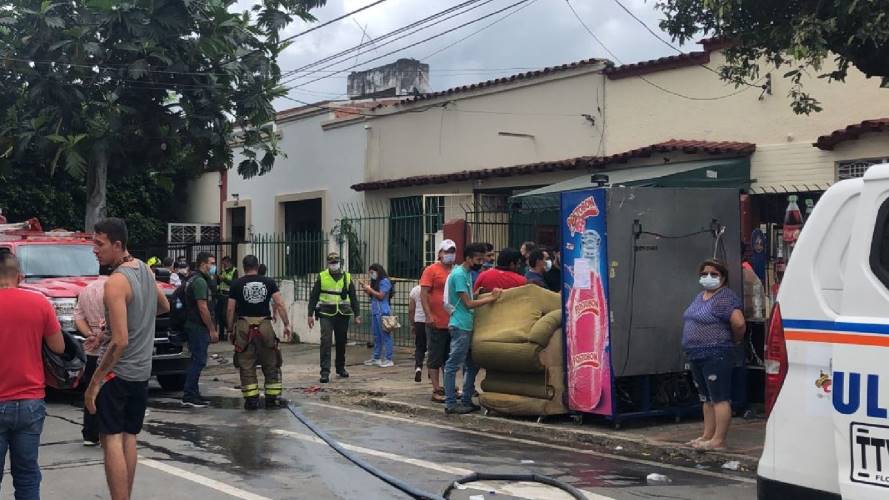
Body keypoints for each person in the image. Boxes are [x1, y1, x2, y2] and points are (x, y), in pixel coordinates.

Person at [85, 217, 170, 500]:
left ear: (117, 244)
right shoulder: (145, 270)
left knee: (110, 438)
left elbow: (120, 341)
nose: (95, 250)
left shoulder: (115, 282)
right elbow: (163, 305)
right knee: (129, 436)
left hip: (116, 374)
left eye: (99, 244)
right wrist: (134, 319)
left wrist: (94, 383)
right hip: (141, 373)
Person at [0, 253, 65, 500]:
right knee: (27, 476)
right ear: (19, 276)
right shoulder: (40, 304)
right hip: (30, 401)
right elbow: (58, 348)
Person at [682, 259, 746, 451]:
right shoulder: (701, 296)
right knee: (706, 398)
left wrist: (735, 340)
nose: (708, 277)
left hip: (716, 353)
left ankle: (719, 440)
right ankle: (707, 435)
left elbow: (739, 323)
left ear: (723, 277)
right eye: (704, 274)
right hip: (696, 354)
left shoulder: (725, 298)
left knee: (719, 397)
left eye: (714, 274)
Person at [444, 243, 502, 414]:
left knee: (472, 365)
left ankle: (467, 399)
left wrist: (478, 294)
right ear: (468, 259)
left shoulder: (467, 274)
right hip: (460, 325)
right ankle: (451, 403)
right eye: (478, 259)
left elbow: (466, 298)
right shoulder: (460, 275)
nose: (481, 262)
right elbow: (468, 304)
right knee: (453, 365)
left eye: (482, 259)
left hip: (467, 324)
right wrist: (491, 298)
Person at [227, 255, 291, 410]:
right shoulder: (268, 282)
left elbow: (230, 309)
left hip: (243, 326)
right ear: (257, 266)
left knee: (246, 364)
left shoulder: (236, 284)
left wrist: (230, 329)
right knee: (271, 362)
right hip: (264, 326)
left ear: (244, 267)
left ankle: (251, 401)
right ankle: (271, 399)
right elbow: (279, 303)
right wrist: (286, 324)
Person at [308, 252, 360, 384]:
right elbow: (314, 296)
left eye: (335, 263)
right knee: (325, 341)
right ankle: (325, 372)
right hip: (326, 313)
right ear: (328, 264)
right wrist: (310, 314)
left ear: (339, 263)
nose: (334, 265)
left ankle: (340, 368)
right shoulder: (322, 276)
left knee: (341, 342)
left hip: (343, 313)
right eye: (331, 263)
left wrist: (357, 314)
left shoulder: (347, 277)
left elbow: (353, 297)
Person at [420, 240, 457, 403]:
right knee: (435, 356)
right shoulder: (431, 270)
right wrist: (428, 315)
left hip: (453, 321)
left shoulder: (456, 271)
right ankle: (436, 388)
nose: (450, 254)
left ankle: (449, 385)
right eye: (447, 251)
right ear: (440, 253)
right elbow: (424, 294)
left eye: (453, 251)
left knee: (450, 356)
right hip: (436, 321)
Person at [181, 251, 219, 408]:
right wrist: (212, 329)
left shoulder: (194, 279)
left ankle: (193, 393)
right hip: (198, 327)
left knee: (196, 359)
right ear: (203, 264)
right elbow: (203, 308)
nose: (213, 267)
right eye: (211, 263)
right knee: (199, 360)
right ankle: (189, 395)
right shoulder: (200, 282)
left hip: (193, 325)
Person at [74, 275, 108, 447]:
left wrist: (90, 334)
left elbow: (78, 317)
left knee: (90, 391)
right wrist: (101, 336)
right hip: (109, 348)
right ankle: (108, 431)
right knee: (109, 392)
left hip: (91, 349)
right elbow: (114, 319)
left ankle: (90, 433)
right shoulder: (114, 288)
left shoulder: (86, 290)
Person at [359, 264, 394, 368]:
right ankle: (376, 357)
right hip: (375, 311)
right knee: (376, 336)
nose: (371, 275)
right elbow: (373, 295)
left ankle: (388, 359)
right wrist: (366, 288)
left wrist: (369, 289)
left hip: (383, 312)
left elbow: (381, 296)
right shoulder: (376, 282)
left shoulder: (385, 281)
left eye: (372, 273)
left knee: (385, 336)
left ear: (378, 271)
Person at [215, 256, 238, 341]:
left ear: (228, 262)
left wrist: (224, 279)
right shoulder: (223, 271)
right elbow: (218, 282)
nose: (223, 264)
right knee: (219, 315)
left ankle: (230, 331)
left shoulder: (234, 271)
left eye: (224, 263)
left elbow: (233, 283)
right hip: (221, 295)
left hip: (228, 296)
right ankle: (221, 335)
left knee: (225, 315)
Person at [408, 283, 427, 383]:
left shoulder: (415, 290)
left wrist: (412, 324)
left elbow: (411, 309)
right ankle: (432, 371)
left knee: (420, 347)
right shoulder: (433, 289)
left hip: (419, 321)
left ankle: (418, 367)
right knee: (433, 347)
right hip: (431, 321)